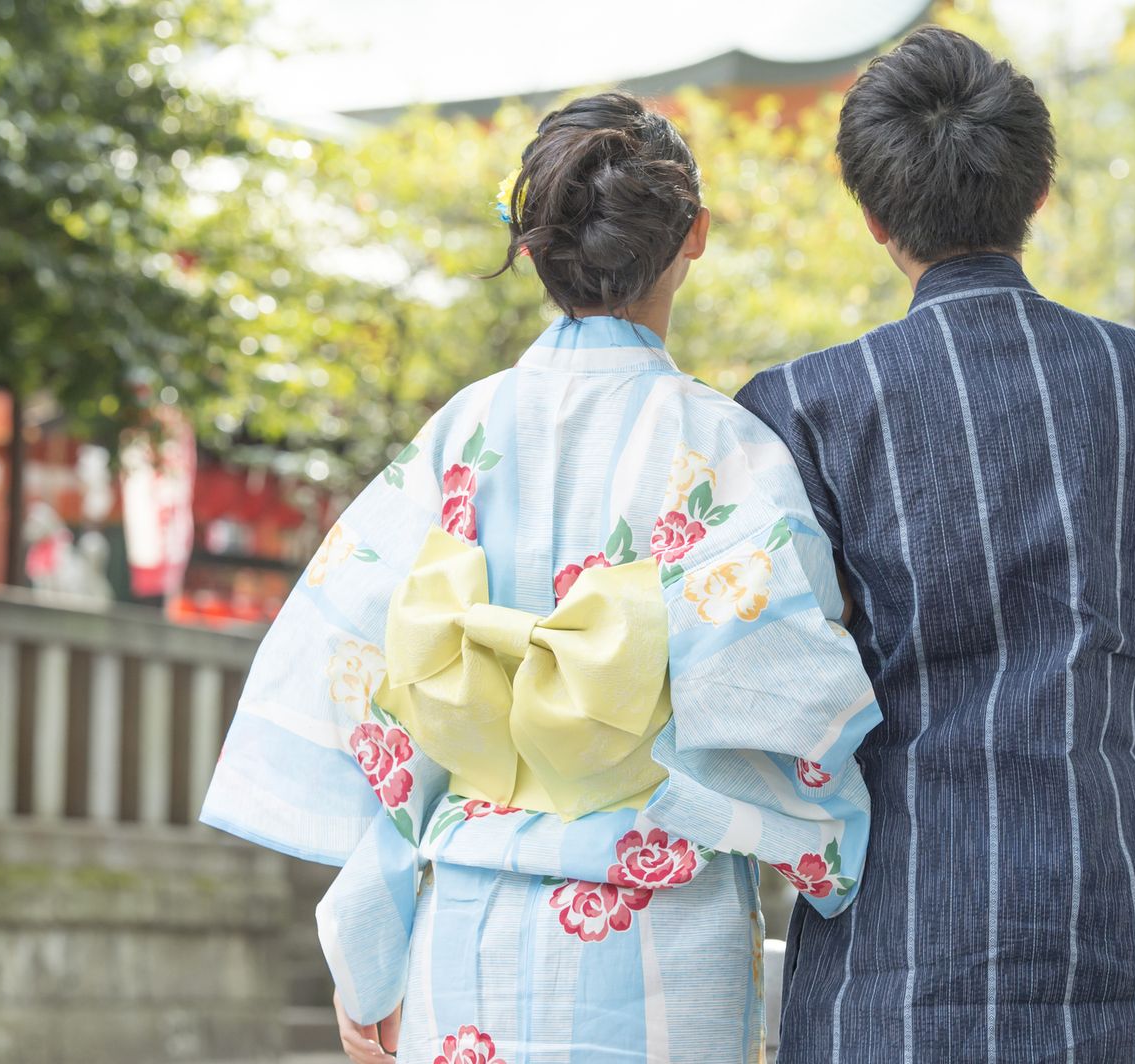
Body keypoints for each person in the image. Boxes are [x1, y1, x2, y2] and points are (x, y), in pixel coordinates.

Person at [200, 92, 881, 1063]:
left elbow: (373, 694)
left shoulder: (460, 435)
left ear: (532, 249)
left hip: (464, 921)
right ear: (694, 236)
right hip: (657, 927)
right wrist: (832, 847)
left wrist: (369, 952)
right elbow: (788, 699)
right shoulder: (721, 445)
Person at [737, 27, 1135, 1064]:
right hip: (1121, 947)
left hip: (895, 964)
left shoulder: (801, 409)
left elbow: (768, 688)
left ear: (874, 219)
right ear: (1035, 192)